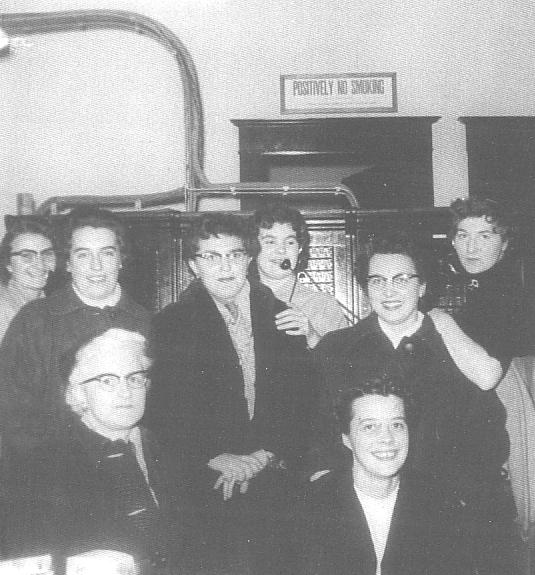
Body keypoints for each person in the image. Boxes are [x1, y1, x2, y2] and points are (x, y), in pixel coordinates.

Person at [308, 233, 514, 575]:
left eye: (402, 279)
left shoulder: (456, 344)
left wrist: (465, 496)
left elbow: (487, 430)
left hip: (449, 507)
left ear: (422, 287)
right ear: (366, 287)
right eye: (378, 281)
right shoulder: (337, 349)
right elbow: (319, 430)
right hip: (369, 504)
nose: (389, 292)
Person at [146, 212, 314, 575]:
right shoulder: (168, 326)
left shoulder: (283, 318)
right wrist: (212, 458)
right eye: (211, 256)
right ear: (194, 265)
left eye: (235, 255)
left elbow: (304, 404)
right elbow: (158, 415)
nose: (225, 267)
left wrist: (265, 455)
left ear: (248, 259)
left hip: (275, 485)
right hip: (204, 490)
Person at [3, 329, 191, 574]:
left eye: (134, 378)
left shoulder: (176, 453)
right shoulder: (40, 469)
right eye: (107, 380)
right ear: (77, 393)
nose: (125, 392)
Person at [0, 206, 151, 462]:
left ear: (121, 260)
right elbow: (12, 417)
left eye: (106, 253)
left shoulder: (145, 322)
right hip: (57, 477)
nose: (96, 266)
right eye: (83, 255)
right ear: (67, 263)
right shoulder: (35, 321)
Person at [298, 375, 471, 575]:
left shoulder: (441, 505)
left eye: (397, 425)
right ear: (346, 438)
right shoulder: (308, 506)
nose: (387, 438)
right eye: (370, 427)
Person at [432, 195, 532, 371]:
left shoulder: (510, 297)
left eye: (484, 237)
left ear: (504, 243)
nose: (471, 248)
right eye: (463, 236)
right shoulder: (457, 285)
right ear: (453, 241)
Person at [251, 204, 349, 348]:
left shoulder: (323, 305)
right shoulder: (239, 298)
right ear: (253, 246)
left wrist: (312, 336)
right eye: (270, 242)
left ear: (300, 248)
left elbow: (345, 366)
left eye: (290, 242)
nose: (281, 250)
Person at [0, 218, 56, 342]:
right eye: (27, 256)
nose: (40, 265)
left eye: (47, 254)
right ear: (8, 264)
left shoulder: (51, 305)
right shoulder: (3, 309)